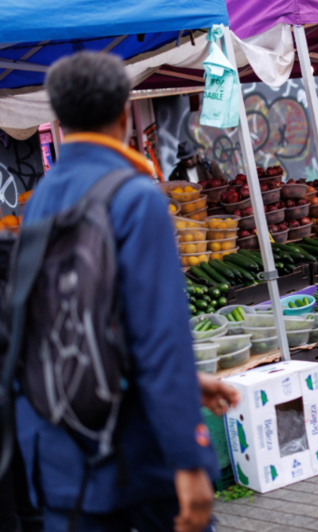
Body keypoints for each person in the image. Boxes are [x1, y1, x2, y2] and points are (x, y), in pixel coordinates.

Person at [16, 52, 241, 532]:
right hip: (128, 454)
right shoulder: (136, 196)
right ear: (124, 114)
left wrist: (189, 385)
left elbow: (71, 318)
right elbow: (160, 340)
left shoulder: (41, 200)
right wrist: (191, 461)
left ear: (59, 119)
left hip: (59, 451)